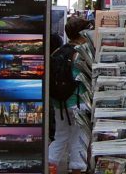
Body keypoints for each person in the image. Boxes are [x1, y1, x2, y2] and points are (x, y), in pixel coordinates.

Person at [48, 18, 92, 174]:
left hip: (59, 103)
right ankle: (76, 170)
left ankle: (49, 167)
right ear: (83, 33)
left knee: (60, 136)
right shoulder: (81, 53)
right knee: (79, 140)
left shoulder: (57, 51)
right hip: (78, 103)